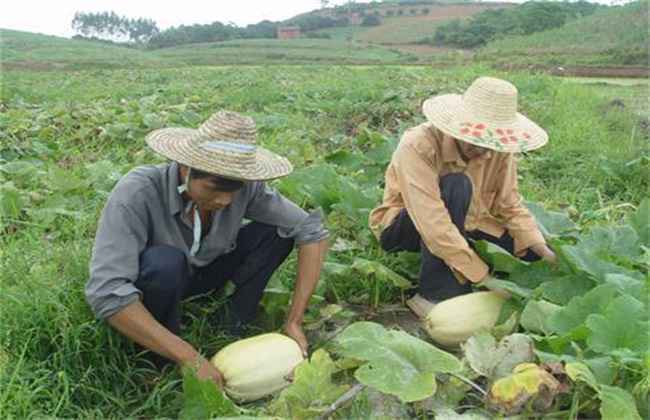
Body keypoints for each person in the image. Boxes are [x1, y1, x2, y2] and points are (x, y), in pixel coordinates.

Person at [85, 110, 329, 387]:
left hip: (206, 271)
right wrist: (190, 357)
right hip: (156, 285)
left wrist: (294, 319)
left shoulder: (244, 190)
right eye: (214, 188)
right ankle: (156, 358)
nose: (226, 200)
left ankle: (232, 324)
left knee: (277, 231)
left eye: (234, 189)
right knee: (164, 262)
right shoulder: (138, 192)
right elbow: (107, 292)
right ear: (186, 169)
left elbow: (311, 230)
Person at [369, 76, 556, 304]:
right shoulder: (418, 145)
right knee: (456, 184)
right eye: (478, 143)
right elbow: (432, 223)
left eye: (491, 145)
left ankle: (466, 258)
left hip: (470, 224)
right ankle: (431, 295)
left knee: (530, 253)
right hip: (407, 228)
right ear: (458, 130)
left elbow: (511, 206)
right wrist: (483, 277)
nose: (487, 154)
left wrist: (541, 248)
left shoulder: (498, 148)